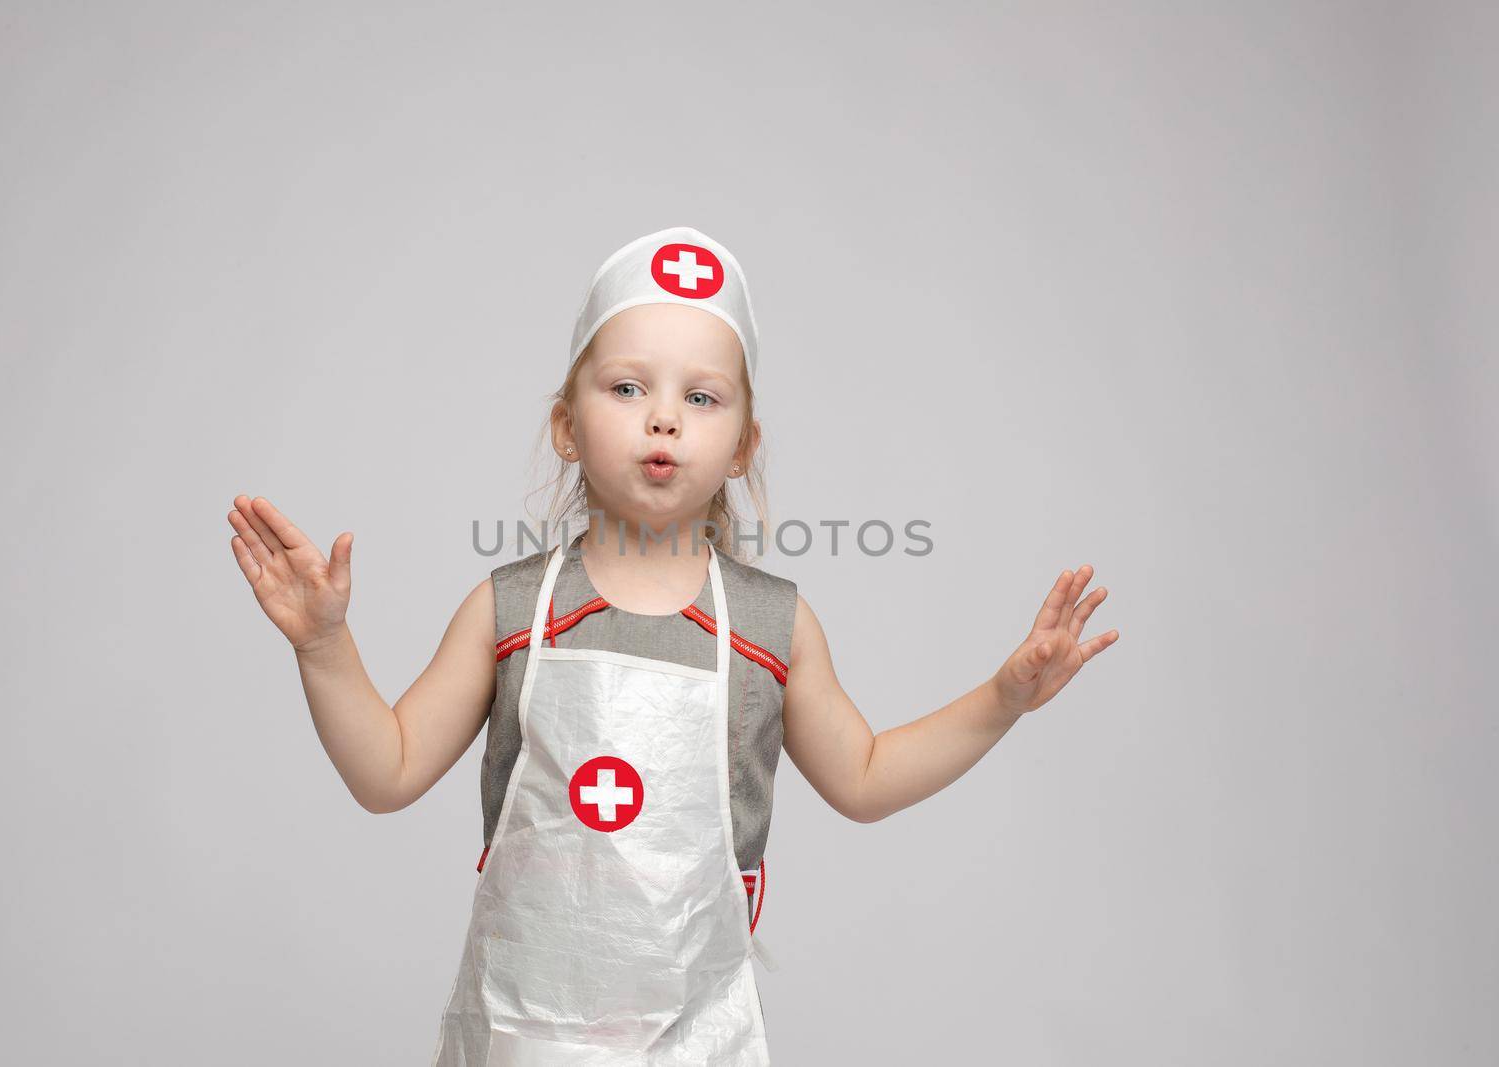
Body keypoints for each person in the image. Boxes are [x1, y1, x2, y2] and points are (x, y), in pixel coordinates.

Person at [225, 225, 1120, 1064]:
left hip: (698, 1042)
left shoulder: (774, 627)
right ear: (566, 425)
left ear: (741, 444)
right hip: (523, 1035)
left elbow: (868, 777)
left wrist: (1003, 699)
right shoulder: (508, 610)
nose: (663, 418)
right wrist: (325, 647)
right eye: (627, 387)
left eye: (700, 396)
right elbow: (388, 772)